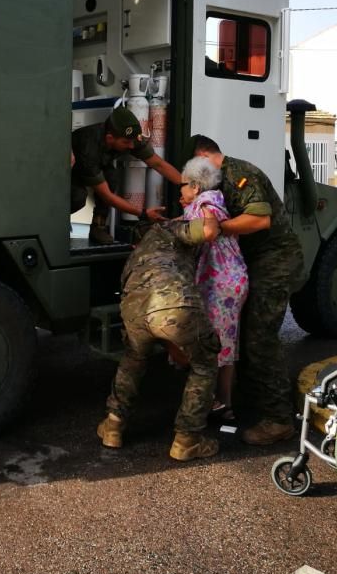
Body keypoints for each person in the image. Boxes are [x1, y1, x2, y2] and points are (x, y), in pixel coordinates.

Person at [191, 135, 304, 446]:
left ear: (203, 156)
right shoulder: (216, 181)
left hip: (275, 261)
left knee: (260, 338)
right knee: (244, 335)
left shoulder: (240, 173)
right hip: (253, 262)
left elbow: (259, 219)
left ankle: (279, 420)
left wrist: (217, 229)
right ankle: (253, 402)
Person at [96, 215, 222, 461]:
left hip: (134, 307)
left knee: (134, 358)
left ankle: (113, 427)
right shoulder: (170, 228)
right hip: (173, 303)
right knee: (205, 364)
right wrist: (212, 211)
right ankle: (187, 440)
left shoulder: (138, 252)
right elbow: (207, 231)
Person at [179, 156, 249, 420]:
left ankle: (213, 403)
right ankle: (224, 403)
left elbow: (203, 230)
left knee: (212, 345)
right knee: (226, 344)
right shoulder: (216, 202)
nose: (181, 191)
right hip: (231, 281)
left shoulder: (204, 205)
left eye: (183, 186)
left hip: (219, 285)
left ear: (196, 187)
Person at [71, 106, 183, 244]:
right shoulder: (89, 147)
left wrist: (186, 185)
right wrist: (143, 213)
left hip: (97, 164)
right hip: (68, 172)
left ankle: (98, 226)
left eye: (132, 141)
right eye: (126, 142)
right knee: (77, 197)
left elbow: (158, 164)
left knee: (111, 176)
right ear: (110, 138)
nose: (131, 146)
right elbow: (107, 196)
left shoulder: (130, 137)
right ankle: (54, 224)